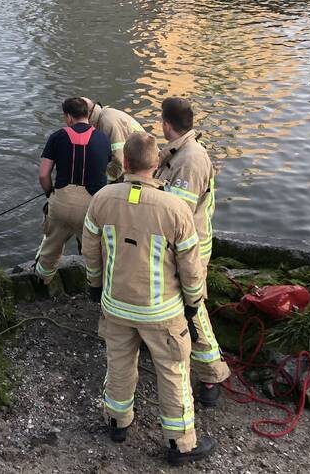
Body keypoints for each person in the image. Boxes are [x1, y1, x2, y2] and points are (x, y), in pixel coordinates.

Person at [82, 133, 217, 466]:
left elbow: (90, 250)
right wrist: (193, 302)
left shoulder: (101, 199)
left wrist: (95, 287)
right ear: (156, 165)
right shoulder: (174, 209)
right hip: (162, 312)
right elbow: (190, 265)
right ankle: (180, 443)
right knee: (173, 371)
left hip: (116, 305)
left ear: (124, 163)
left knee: (119, 363)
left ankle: (117, 423)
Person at [154, 97, 231, 407]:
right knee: (182, 305)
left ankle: (213, 373)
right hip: (180, 245)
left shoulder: (190, 159)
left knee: (193, 308)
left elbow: (179, 215)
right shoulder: (180, 152)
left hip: (189, 249)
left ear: (166, 124)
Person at [34, 97, 111, 284]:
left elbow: (43, 175)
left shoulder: (57, 136)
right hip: (91, 207)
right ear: (88, 114)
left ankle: (42, 281)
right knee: (94, 251)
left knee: (50, 247)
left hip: (61, 203)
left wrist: (50, 193)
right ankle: (95, 286)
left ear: (68, 117)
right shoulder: (103, 138)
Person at [82, 97, 148, 183]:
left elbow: (119, 161)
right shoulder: (103, 115)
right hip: (139, 161)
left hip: (142, 166)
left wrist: (102, 180)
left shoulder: (108, 123)